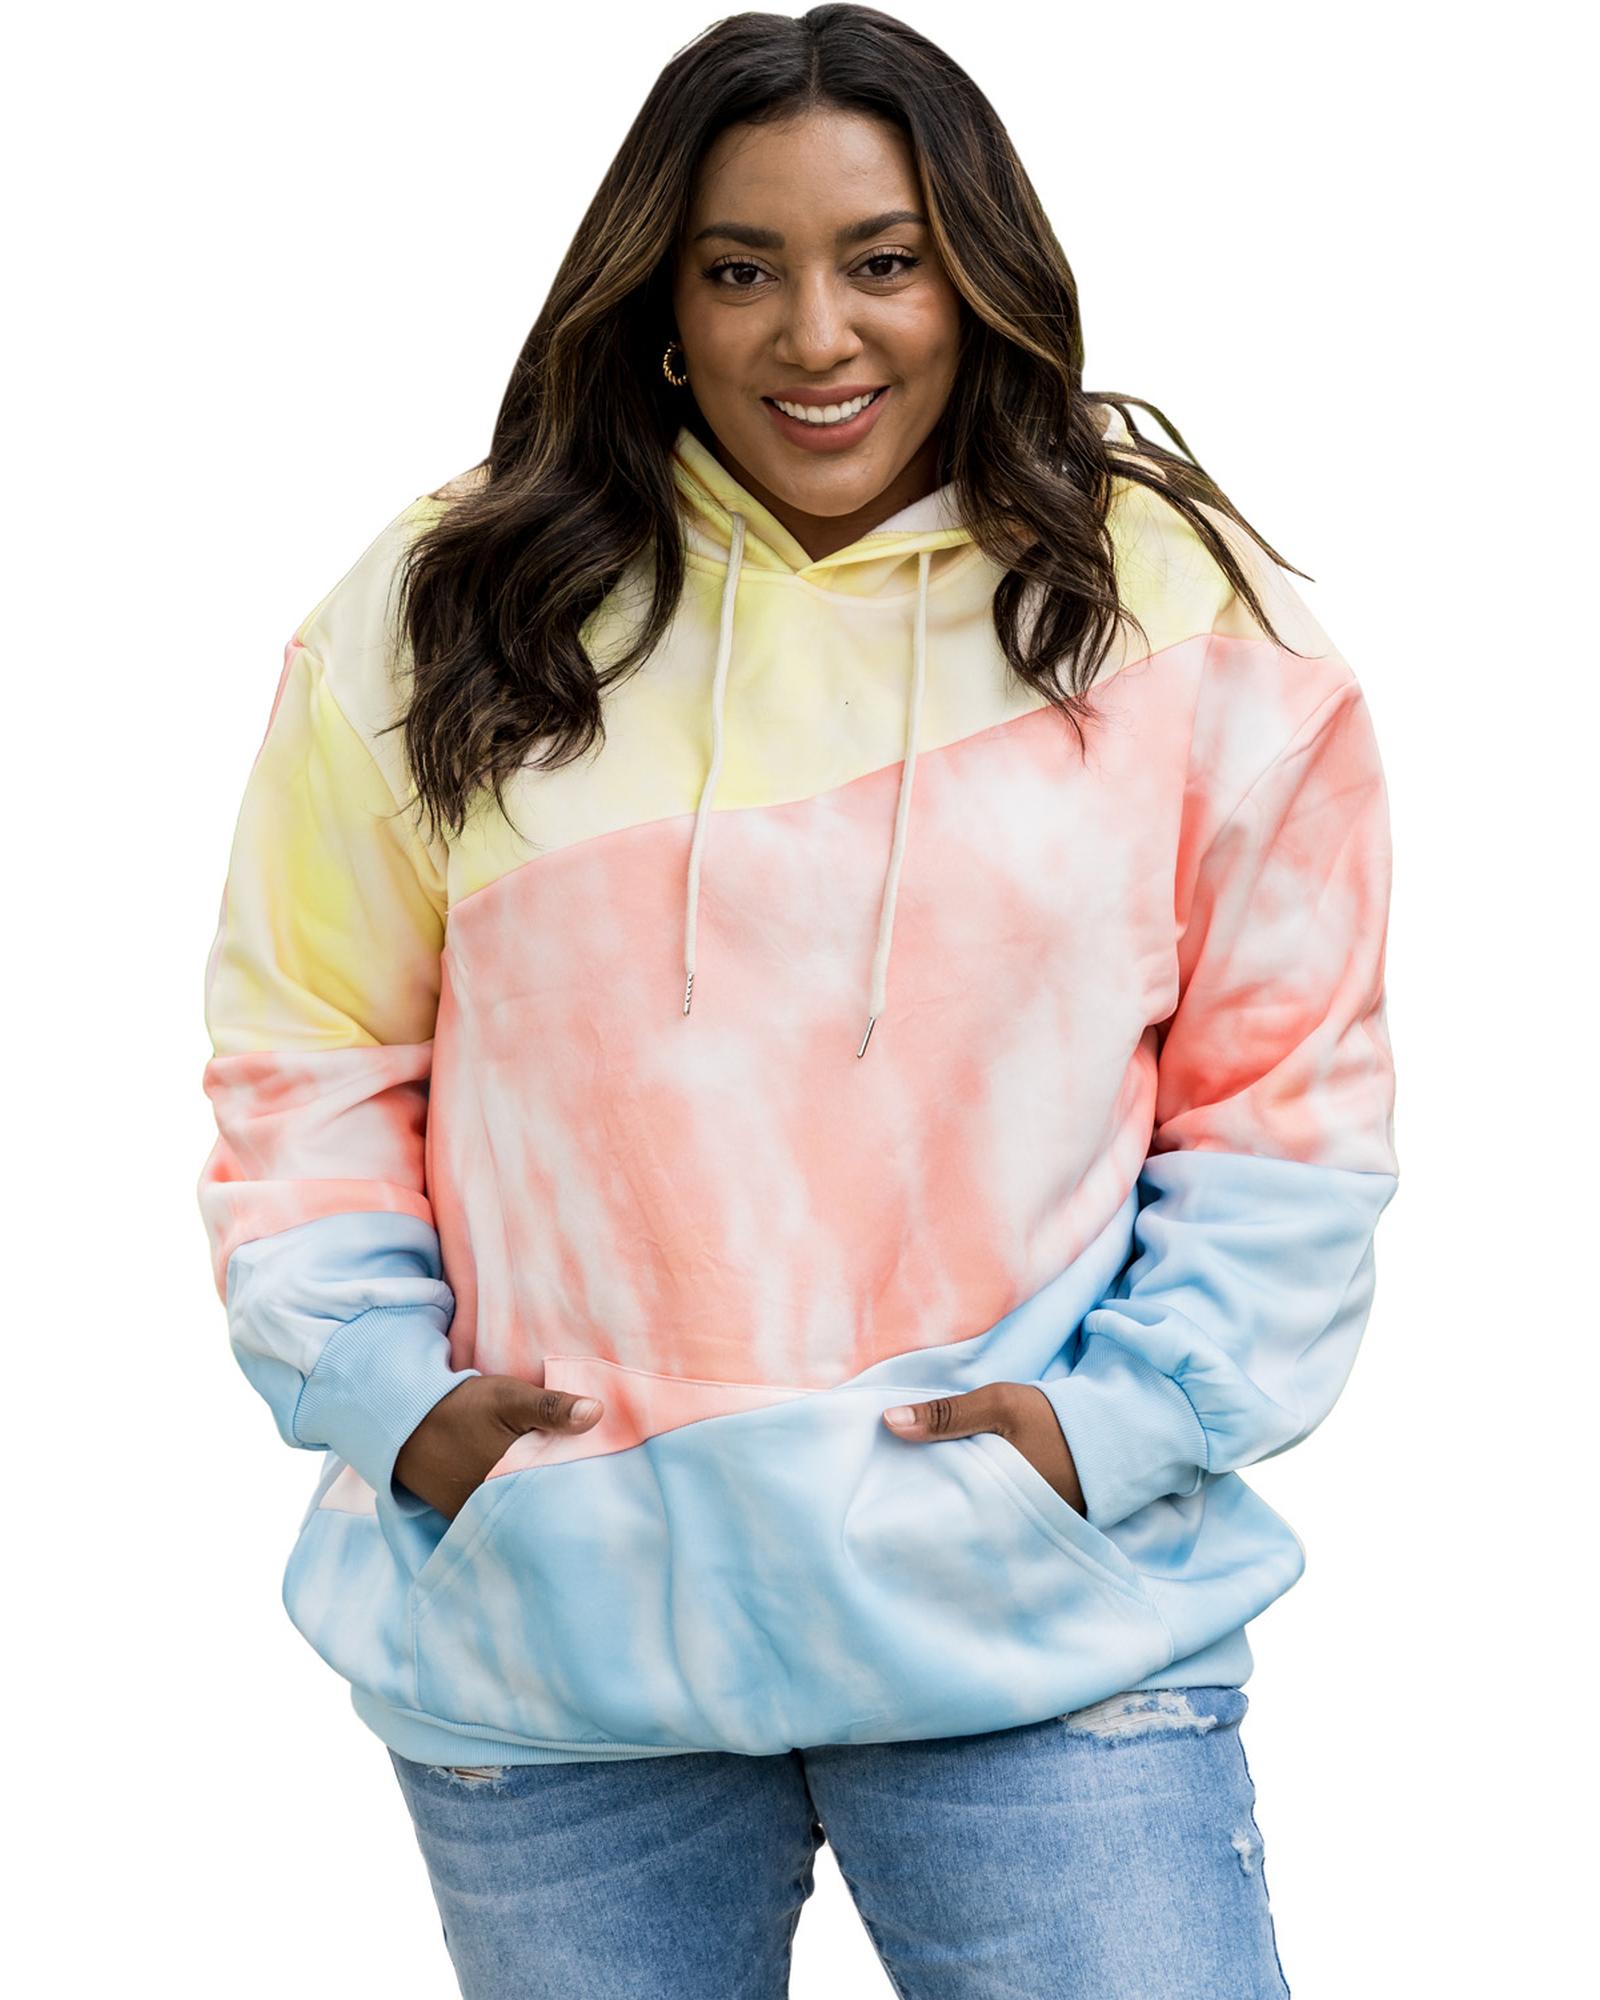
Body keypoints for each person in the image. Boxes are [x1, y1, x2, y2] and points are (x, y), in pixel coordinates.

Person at [196, 6, 1398, 1994]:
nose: (815, 335)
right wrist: (398, 1405)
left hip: (1028, 1620)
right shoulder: (451, 608)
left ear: (976, 276)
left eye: (882, 260)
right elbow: (305, 1053)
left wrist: (1109, 1430)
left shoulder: (1181, 619)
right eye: (740, 269)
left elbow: (1284, 1103)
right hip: (562, 1631)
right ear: (661, 304)